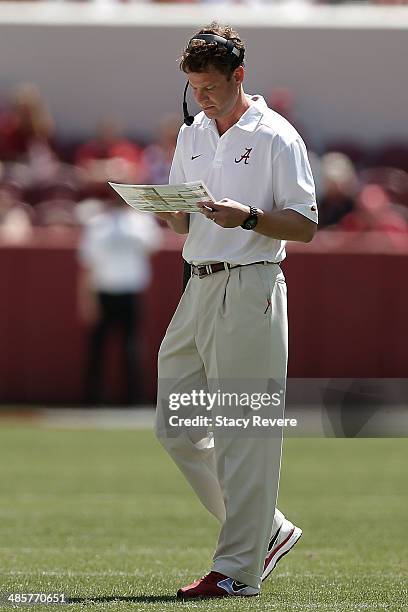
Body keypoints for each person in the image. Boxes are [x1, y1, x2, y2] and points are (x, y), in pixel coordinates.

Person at [154, 22, 318, 599]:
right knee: (175, 424)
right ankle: (265, 530)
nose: (203, 97)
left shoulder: (276, 135)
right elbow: (182, 216)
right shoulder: (193, 131)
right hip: (197, 284)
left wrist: (247, 216)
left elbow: (305, 225)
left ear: (238, 76)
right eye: (195, 87)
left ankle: (239, 569)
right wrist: (164, 209)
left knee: (244, 431)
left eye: (212, 86)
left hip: (251, 287)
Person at [78, 196, 161, 405]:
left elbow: (152, 246)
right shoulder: (97, 223)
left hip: (131, 291)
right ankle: (93, 398)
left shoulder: (141, 222)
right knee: (98, 349)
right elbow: (87, 264)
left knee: (132, 347)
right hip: (103, 291)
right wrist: (87, 300)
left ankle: (134, 398)